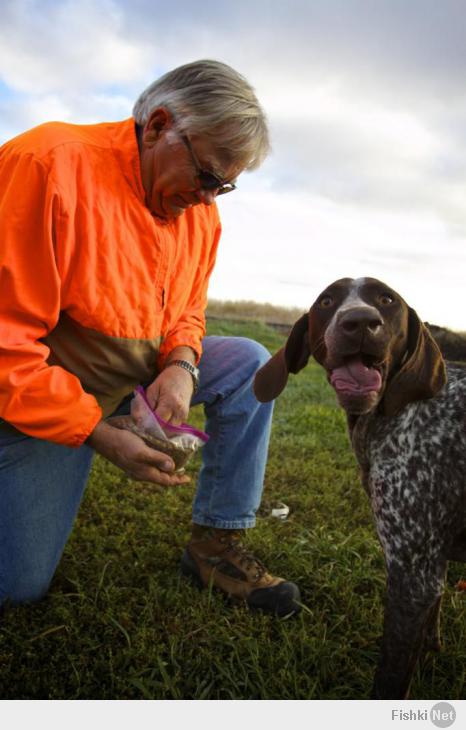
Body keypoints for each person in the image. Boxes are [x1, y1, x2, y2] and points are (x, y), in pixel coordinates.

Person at [0, 60, 300, 616]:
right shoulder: (46, 165)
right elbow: (5, 344)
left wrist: (181, 365)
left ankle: (215, 543)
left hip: (126, 382)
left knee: (248, 365)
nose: (210, 200)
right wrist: (93, 430)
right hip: (35, 398)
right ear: (159, 125)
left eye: (225, 187)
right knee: (16, 586)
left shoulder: (197, 213)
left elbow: (187, 308)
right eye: (208, 177)